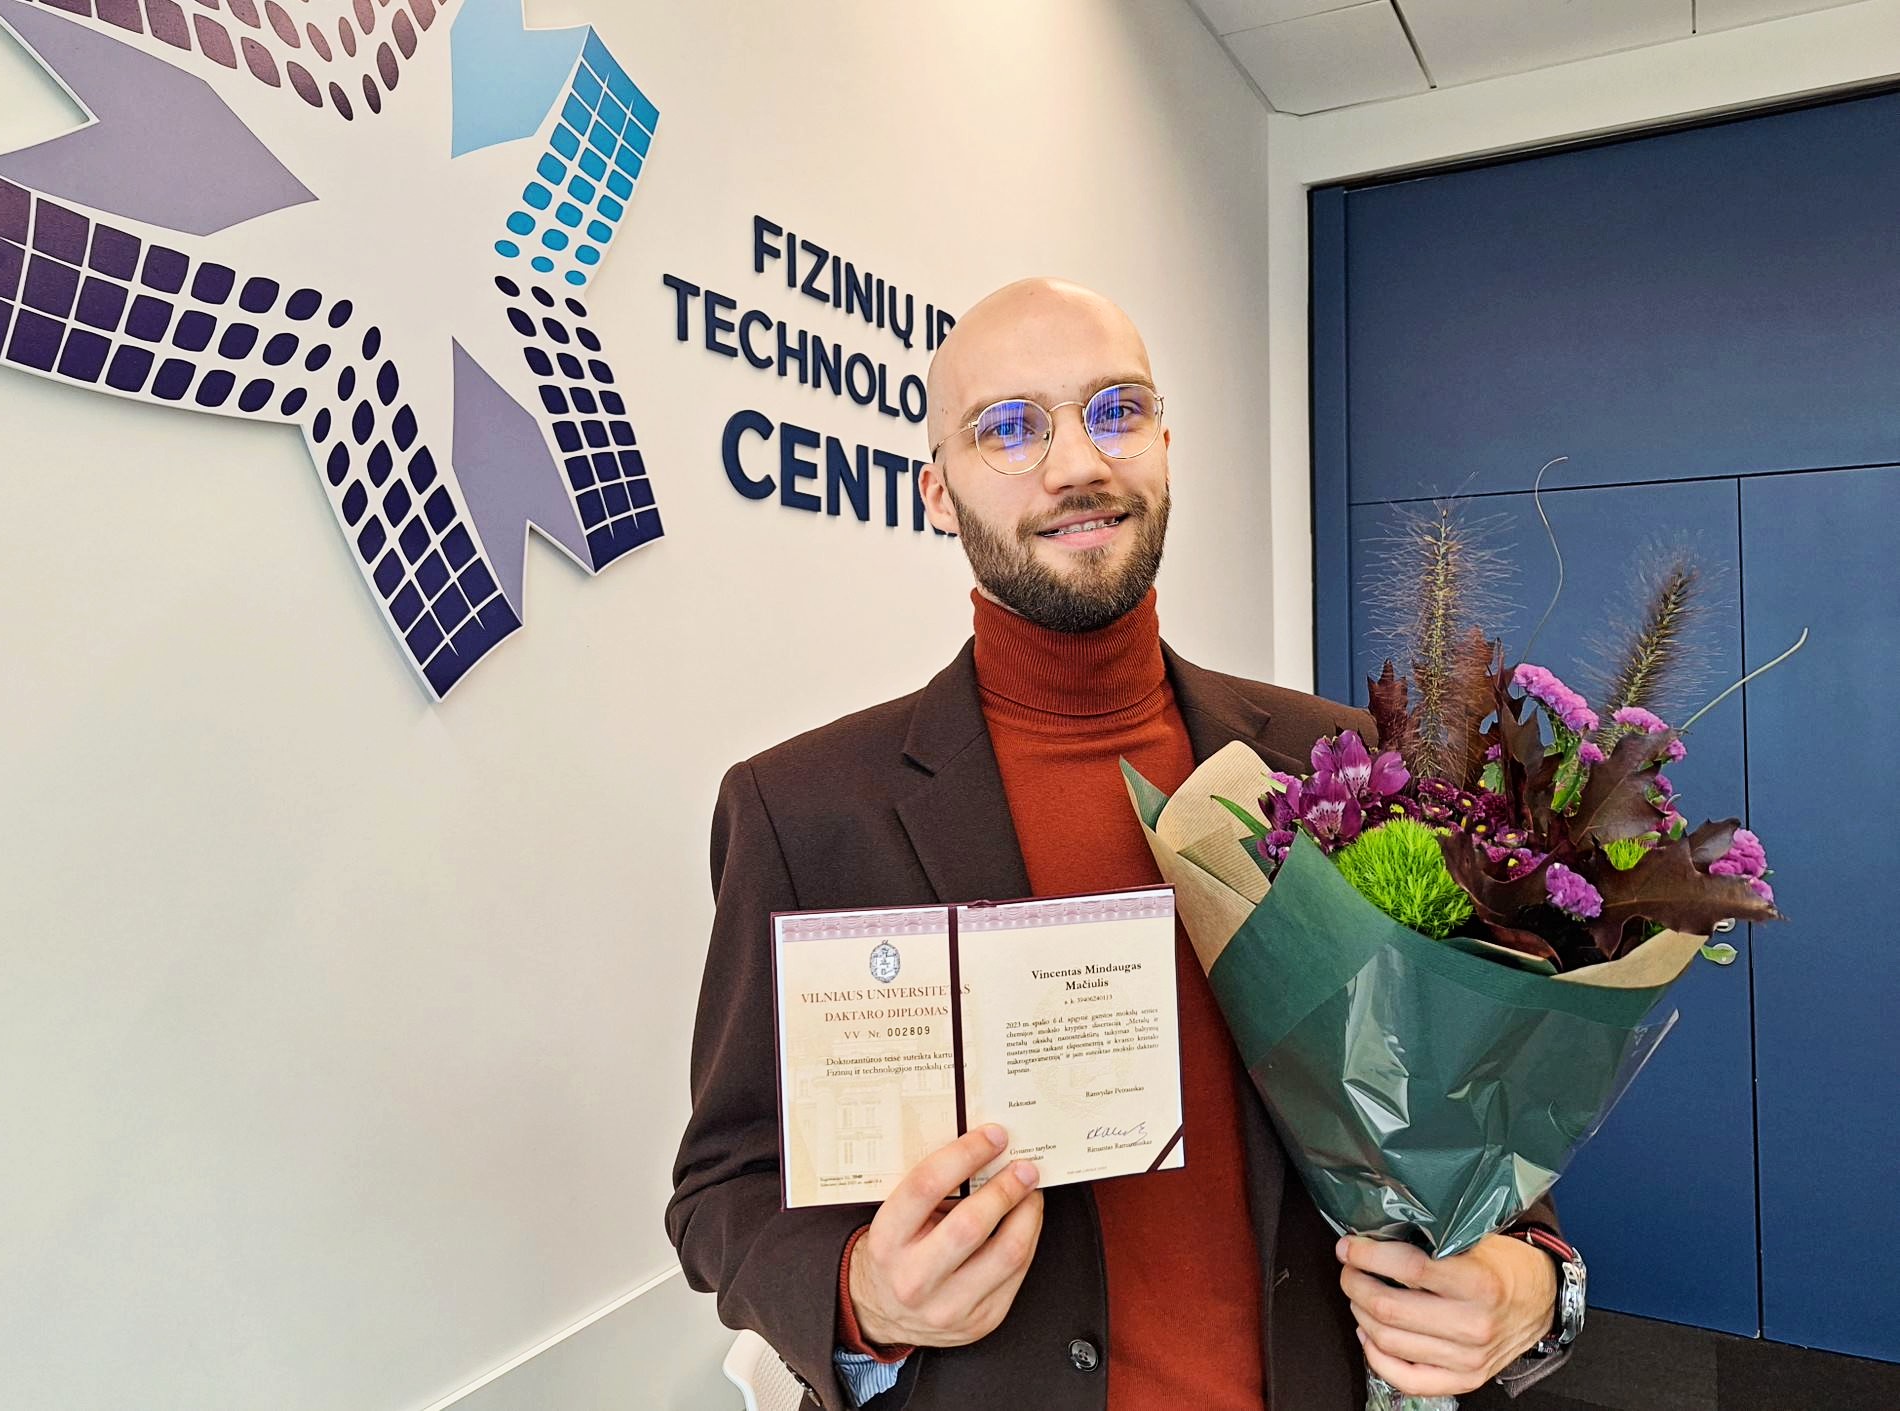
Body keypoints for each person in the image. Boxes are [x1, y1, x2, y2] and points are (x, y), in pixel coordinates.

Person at [666, 278, 1577, 1411]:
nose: (1076, 463)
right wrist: (862, 1297)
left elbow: (1457, 1095)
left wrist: (1533, 1278)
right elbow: (722, 1187)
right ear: (937, 492)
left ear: (1164, 448)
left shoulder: (1333, 762)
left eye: (1115, 410)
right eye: (1008, 427)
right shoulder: (803, 810)